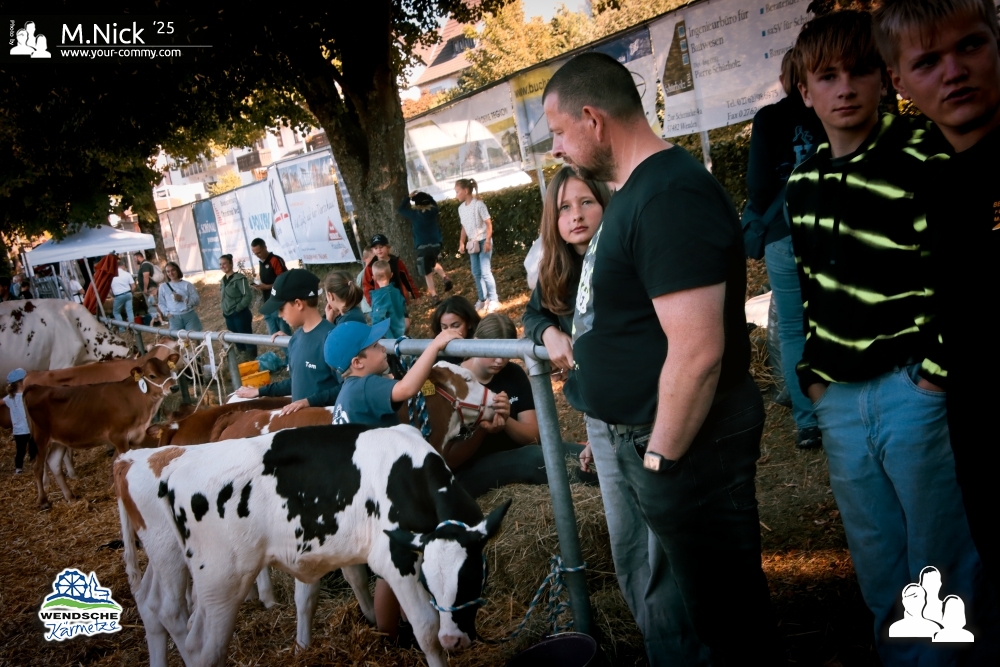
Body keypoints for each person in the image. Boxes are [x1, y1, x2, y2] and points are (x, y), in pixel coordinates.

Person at [543, 52, 776, 663]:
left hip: (685, 446)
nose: (558, 148)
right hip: (660, 439)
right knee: (699, 610)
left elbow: (697, 351)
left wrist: (659, 459)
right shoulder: (638, 192)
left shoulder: (668, 194)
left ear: (592, 119)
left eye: (559, 131)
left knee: (727, 621)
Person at [786, 11, 991, 662]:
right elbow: (810, 290)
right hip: (840, 401)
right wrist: (813, 379)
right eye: (828, 76)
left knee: (942, 559)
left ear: (885, 79)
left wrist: (933, 376)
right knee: (878, 559)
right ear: (805, 92)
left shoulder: (924, 153)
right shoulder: (801, 185)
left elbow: (954, 275)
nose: (845, 87)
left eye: (860, 71)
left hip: (913, 390)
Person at [874, 0, 1000, 602]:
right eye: (928, 61)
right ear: (898, 81)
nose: (954, 71)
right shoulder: (938, 183)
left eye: (970, 45)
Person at [522, 166, 669, 648]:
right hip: (601, 423)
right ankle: (655, 641)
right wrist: (547, 330)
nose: (576, 215)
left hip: (651, 416)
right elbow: (533, 312)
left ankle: (678, 643)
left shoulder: (625, 255)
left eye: (586, 201)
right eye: (564, 207)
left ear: (606, 203)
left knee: (661, 539)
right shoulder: (560, 270)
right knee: (625, 540)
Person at [324, 319, 464, 641]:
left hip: (361, 493)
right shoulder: (364, 388)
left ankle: (398, 627)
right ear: (358, 362)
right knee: (395, 564)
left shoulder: (348, 393)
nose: (383, 348)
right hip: (381, 494)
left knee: (394, 563)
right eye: (375, 346)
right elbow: (406, 389)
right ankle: (391, 633)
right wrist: (435, 345)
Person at [745, 50, 825, 449]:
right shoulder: (826, 110)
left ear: (784, 79)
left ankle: (808, 421)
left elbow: (758, 185)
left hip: (783, 230)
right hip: (829, 224)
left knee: (793, 327)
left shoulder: (769, 119)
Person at [443, 314, 589, 497]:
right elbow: (450, 460)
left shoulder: (512, 373)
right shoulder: (452, 380)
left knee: (568, 451)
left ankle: (610, 463)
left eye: (505, 354)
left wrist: (506, 420)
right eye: (493, 353)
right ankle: (596, 477)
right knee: (533, 459)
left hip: (517, 452)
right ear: (476, 342)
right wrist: (482, 429)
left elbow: (532, 437)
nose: (499, 361)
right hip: (470, 469)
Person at [236, 269, 341, 413]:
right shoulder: (295, 340)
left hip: (326, 421)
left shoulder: (332, 338)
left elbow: (348, 386)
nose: (279, 315)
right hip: (301, 422)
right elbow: (296, 382)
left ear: (298, 304)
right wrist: (260, 391)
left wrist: (309, 401)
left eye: (281, 308)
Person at [397, 191, 453, 305]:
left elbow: (401, 210)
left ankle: (434, 296)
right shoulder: (434, 211)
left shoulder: (415, 214)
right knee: (433, 262)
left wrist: (408, 198)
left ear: (417, 205)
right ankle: (445, 277)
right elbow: (434, 203)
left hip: (422, 246)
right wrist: (427, 196)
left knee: (427, 273)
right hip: (436, 244)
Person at [455, 179, 500, 313]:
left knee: (485, 272)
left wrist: (487, 241)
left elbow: (488, 223)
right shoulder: (461, 209)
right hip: (473, 243)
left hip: (483, 240)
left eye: (457, 192)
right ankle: (483, 299)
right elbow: (464, 227)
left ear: (465, 191)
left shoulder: (479, 204)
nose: (456, 195)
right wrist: (461, 242)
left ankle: (494, 299)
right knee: (476, 272)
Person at [361, 234, 420, 332]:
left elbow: (406, 278)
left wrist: (415, 295)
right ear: (372, 250)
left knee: (405, 324)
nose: (379, 250)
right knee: (387, 325)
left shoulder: (396, 262)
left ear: (387, 247)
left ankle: (403, 337)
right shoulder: (371, 267)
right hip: (382, 300)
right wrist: (372, 301)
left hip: (397, 297)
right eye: (376, 248)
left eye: (381, 247)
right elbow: (366, 286)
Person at [251, 238, 292, 337]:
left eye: (259, 252)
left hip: (279, 302)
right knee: (272, 336)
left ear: (265, 247)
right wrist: (259, 286)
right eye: (255, 254)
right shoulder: (261, 262)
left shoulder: (275, 260)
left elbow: (284, 281)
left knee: (284, 334)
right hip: (268, 303)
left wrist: (267, 286)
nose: (257, 255)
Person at [220, 254, 257, 360]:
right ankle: (243, 359)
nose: (222, 266)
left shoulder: (239, 278)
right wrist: (224, 310)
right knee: (236, 340)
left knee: (246, 338)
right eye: (220, 264)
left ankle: (252, 360)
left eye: (224, 263)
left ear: (231, 263)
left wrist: (238, 309)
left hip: (240, 314)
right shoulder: (223, 280)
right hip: (229, 315)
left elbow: (248, 296)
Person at [430, 296, 481, 365]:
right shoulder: (437, 355)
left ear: (469, 323)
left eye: (455, 326)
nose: (449, 332)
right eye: (444, 327)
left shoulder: (481, 347)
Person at [4, 369, 37, 474]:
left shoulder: (10, 397)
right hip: (29, 428)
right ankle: (31, 465)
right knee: (31, 448)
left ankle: (19, 468)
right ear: (20, 383)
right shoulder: (28, 395)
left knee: (21, 450)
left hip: (19, 430)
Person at [158, 262, 202, 331]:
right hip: (174, 317)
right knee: (176, 337)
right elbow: (161, 303)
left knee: (192, 336)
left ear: (177, 270)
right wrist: (166, 313)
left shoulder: (187, 285)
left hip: (189, 315)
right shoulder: (163, 287)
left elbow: (196, 301)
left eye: (173, 270)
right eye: (168, 271)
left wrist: (183, 298)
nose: (171, 273)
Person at [369, 261, 406, 338]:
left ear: (374, 278)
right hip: (400, 331)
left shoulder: (379, 297)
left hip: (389, 336)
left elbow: (377, 318)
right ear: (391, 275)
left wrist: (374, 334)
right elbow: (403, 308)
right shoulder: (397, 292)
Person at [110, 256, 136, 323]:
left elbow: (110, 289)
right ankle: (132, 326)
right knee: (129, 311)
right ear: (123, 265)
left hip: (118, 295)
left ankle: (122, 327)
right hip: (128, 293)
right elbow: (133, 286)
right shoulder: (127, 274)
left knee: (116, 312)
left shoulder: (111, 276)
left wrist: (113, 295)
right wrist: (131, 293)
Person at [355, 248, 373, 315]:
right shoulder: (361, 275)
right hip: (369, 308)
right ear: (364, 259)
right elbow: (357, 291)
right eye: (373, 259)